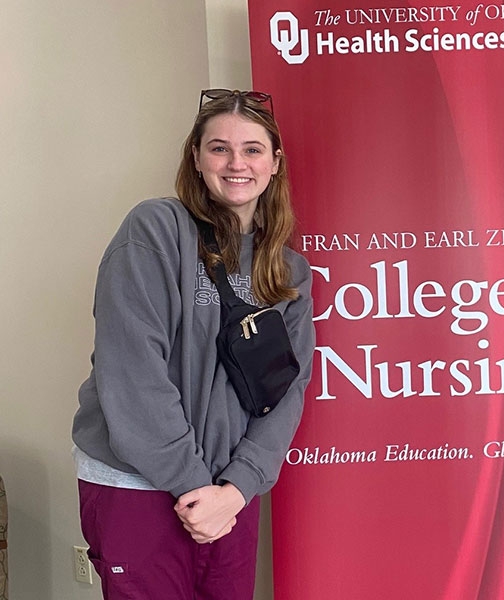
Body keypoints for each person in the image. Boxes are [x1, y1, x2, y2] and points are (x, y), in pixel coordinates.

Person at [71, 89, 314, 599]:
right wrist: (193, 486)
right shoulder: (155, 231)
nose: (236, 163)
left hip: (229, 496)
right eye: (219, 147)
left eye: (252, 149)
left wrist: (238, 487)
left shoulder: (287, 269)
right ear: (197, 160)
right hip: (139, 483)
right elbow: (133, 371)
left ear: (274, 163)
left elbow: (289, 390)